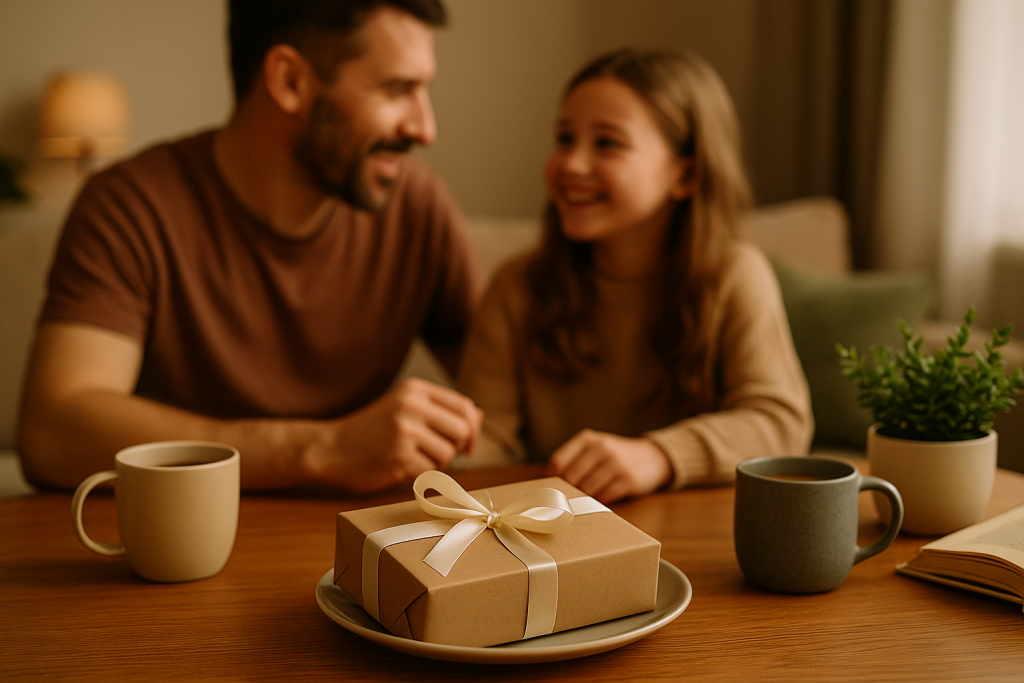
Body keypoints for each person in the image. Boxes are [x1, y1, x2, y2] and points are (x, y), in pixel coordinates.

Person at [17, 0, 486, 493]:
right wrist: (321, 448)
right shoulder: (129, 208)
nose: (424, 128)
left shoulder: (417, 206)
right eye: (397, 89)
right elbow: (53, 429)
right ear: (288, 81)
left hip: (362, 548)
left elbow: (510, 394)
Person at [455, 48, 813, 503]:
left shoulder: (735, 275)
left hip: (697, 535)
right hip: (555, 536)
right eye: (565, 138)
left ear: (684, 175)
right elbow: (492, 441)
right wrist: (438, 446)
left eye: (607, 143)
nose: (571, 164)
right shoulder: (516, 285)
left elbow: (780, 420)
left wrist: (658, 456)